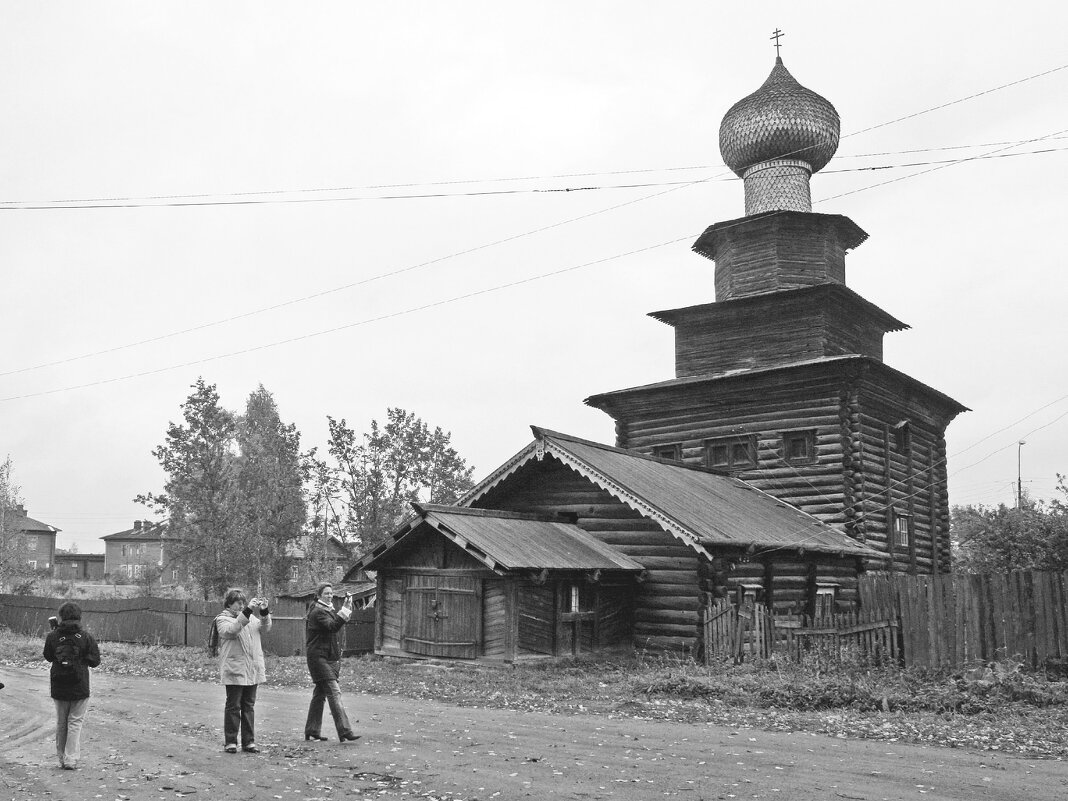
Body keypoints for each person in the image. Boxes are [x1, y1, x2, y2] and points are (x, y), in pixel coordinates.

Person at [43, 601, 101, 770]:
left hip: (59, 685)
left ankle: (61, 757)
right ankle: (71, 759)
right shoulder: (86, 637)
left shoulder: (52, 636)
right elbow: (95, 661)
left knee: (61, 722)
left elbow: (48, 656)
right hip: (79, 685)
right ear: (78, 616)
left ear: (61, 616)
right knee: (75, 722)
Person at [214, 588, 272, 754]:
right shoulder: (222, 619)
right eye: (237, 602)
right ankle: (231, 742)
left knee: (249, 706)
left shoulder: (251, 618)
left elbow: (265, 627)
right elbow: (232, 630)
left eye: (243, 602)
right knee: (233, 706)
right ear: (229, 603)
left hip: (252, 668)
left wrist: (264, 611)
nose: (241, 605)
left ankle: (249, 742)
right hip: (235, 668)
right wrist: (247, 611)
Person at [303, 583, 359, 743]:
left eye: (331, 593)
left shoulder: (327, 610)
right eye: (326, 593)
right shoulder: (318, 612)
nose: (329, 596)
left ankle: (312, 730)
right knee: (334, 692)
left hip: (327, 658)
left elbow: (335, 624)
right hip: (318, 658)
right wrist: (346, 609)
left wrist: (346, 608)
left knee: (319, 694)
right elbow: (333, 626)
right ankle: (345, 730)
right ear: (319, 595)